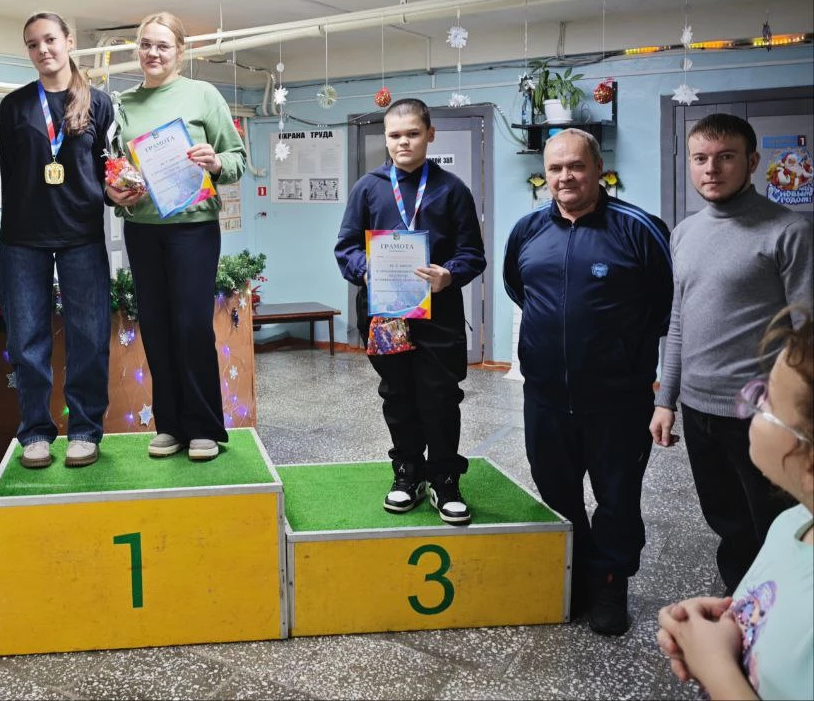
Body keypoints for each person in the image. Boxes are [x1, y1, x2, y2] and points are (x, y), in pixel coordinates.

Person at [504, 127, 672, 636]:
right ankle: (574, 575)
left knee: (617, 498)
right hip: (545, 396)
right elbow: (519, 288)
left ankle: (610, 583)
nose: (565, 177)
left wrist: (623, 357)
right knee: (556, 491)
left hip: (618, 400)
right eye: (555, 168)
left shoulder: (640, 228)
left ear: (599, 169)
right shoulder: (527, 230)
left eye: (576, 166)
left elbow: (665, 306)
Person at [651, 114, 811, 590]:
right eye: (700, 158)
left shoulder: (788, 230)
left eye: (726, 157)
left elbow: (806, 332)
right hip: (699, 409)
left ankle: (780, 612)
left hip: (762, 413)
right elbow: (678, 320)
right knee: (727, 520)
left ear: (752, 161)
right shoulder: (684, 232)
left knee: (776, 524)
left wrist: (801, 413)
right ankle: (740, 601)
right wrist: (665, 399)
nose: (711, 169)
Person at [334, 99, 486, 525]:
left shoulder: (451, 189)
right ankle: (407, 474)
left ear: (430, 135)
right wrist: (365, 269)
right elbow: (346, 247)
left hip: (438, 314)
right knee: (398, 395)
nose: (403, 142)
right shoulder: (368, 188)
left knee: (440, 396)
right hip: (386, 315)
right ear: (386, 138)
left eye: (413, 134)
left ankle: (445, 480)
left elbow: (473, 254)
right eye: (395, 135)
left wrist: (449, 275)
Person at [106, 11, 246, 461]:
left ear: (181, 52)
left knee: (190, 325)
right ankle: (169, 425)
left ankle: (204, 426)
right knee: (156, 326)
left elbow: (238, 159)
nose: (153, 53)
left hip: (192, 229)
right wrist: (115, 192)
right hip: (142, 229)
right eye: (146, 44)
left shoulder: (203, 95)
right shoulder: (123, 104)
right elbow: (114, 167)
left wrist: (216, 162)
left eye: (163, 45)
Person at [657, 309, 813, 701]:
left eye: (766, 399)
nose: (751, 400)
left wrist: (715, 668)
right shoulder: (793, 523)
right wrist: (728, 630)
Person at [0, 12, 114, 470]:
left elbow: (107, 170)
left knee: (89, 336)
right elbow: (12, 175)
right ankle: (35, 432)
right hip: (22, 239)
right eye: (32, 44)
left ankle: (84, 429)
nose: (42, 49)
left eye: (49, 39)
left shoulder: (98, 103)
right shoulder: (14, 105)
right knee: (27, 339)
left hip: (81, 235)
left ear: (69, 41)